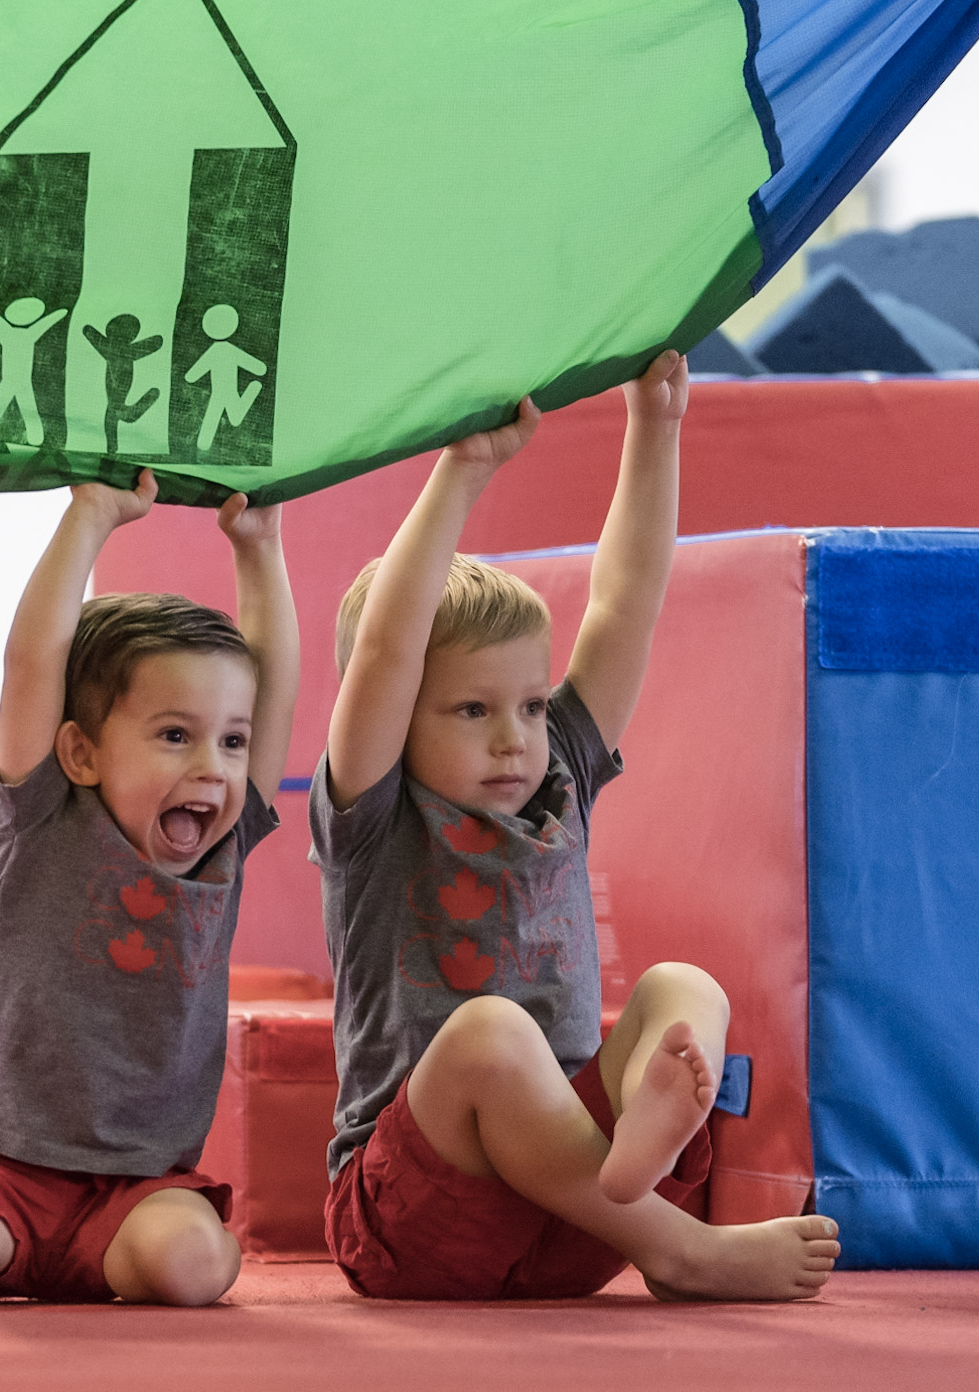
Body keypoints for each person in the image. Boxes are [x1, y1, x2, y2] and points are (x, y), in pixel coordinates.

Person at [310, 350, 840, 1301]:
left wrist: (655, 426)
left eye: (527, 704)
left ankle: (645, 1134)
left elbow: (624, 601)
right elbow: (387, 648)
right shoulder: (375, 812)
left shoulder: (558, 775)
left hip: (574, 1209)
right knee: (489, 1033)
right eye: (471, 710)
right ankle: (677, 1245)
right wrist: (463, 469)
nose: (514, 737)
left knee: (684, 984)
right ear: (393, 715)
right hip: (415, 1219)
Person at [0, 469, 298, 1304]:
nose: (212, 766)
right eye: (174, 735)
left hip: (134, 1188)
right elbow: (31, 662)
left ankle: (82, 1262)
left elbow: (272, 685)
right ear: (81, 752)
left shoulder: (225, 844)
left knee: (190, 1266)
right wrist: (89, 517)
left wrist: (261, 547)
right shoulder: (45, 818)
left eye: (231, 742)